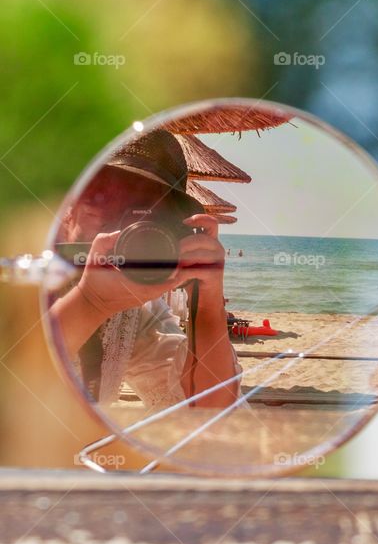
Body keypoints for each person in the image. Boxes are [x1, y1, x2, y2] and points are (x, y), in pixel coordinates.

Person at [49, 130, 239, 410]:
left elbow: (208, 409)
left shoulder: (131, 315)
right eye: (103, 192)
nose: (121, 219)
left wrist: (207, 305)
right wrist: (90, 303)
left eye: (142, 205)